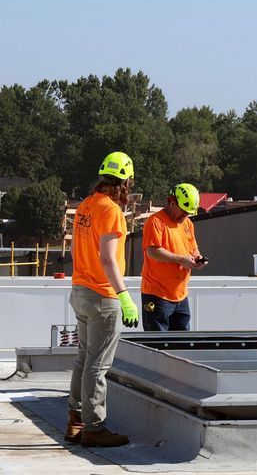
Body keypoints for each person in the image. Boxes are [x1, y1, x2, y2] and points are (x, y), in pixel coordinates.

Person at [66, 151, 139, 447]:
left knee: (84, 358)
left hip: (80, 290)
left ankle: (76, 421)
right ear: (124, 181)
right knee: (97, 365)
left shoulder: (85, 205)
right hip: (102, 296)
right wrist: (123, 296)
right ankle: (94, 428)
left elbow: (73, 253)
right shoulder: (110, 211)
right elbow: (109, 259)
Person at [140, 183, 206, 331]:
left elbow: (193, 248)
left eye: (188, 213)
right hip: (157, 294)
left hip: (181, 295)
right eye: (183, 211)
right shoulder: (155, 222)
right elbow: (152, 251)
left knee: (182, 343)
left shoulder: (187, 223)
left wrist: (197, 258)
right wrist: (181, 259)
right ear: (172, 203)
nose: (185, 216)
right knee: (158, 346)